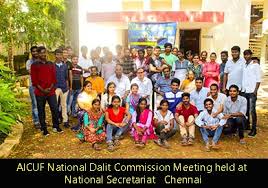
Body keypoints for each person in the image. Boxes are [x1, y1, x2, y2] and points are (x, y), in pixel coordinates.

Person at [31, 46, 63, 136]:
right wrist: (43, 90)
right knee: (41, 111)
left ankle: (56, 126)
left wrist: (50, 88)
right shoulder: (34, 65)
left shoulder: (50, 64)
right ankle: (44, 129)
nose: (43, 54)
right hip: (40, 92)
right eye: (41, 53)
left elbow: (54, 78)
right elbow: (34, 81)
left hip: (51, 91)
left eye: (44, 52)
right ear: (38, 54)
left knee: (55, 109)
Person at [241, 49, 261, 137]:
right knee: (246, 110)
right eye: (245, 55)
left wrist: (255, 91)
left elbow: (258, 79)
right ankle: (247, 126)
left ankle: (254, 129)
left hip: (252, 91)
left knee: (252, 111)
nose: (246, 56)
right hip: (244, 90)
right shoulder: (244, 65)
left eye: (248, 55)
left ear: (251, 55)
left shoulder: (255, 65)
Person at [54, 49, 69, 128]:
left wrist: (67, 87)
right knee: (55, 105)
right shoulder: (52, 65)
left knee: (64, 105)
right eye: (57, 54)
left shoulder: (65, 66)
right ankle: (56, 120)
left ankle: (65, 120)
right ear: (55, 55)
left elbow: (66, 77)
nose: (59, 56)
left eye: (60, 54)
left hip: (64, 88)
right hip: (56, 88)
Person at [26, 46, 40, 129]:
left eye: (36, 51)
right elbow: (31, 72)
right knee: (34, 103)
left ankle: (41, 120)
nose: (35, 53)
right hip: (33, 86)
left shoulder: (41, 61)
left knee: (40, 103)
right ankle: (36, 121)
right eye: (33, 51)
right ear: (31, 53)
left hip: (41, 86)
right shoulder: (29, 62)